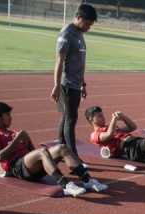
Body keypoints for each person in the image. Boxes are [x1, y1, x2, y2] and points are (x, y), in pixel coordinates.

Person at [0, 102, 105, 198]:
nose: (10, 118)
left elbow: (31, 151)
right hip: (17, 167)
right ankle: (66, 185)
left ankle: (87, 180)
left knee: (62, 147)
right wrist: (16, 140)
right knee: (43, 151)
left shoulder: (13, 133)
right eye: (7, 115)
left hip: (30, 165)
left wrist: (27, 141)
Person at [51, 4, 96, 163]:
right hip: (67, 83)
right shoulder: (67, 33)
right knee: (71, 119)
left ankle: (62, 150)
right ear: (78, 17)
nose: (88, 28)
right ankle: (73, 157)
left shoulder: (78, 33)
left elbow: (79, 61)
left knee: (66, 116)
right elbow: (59, 61)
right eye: (87, 24)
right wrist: (56, 85)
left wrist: (83, 84)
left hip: (76, 83)